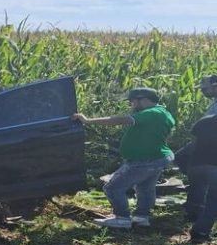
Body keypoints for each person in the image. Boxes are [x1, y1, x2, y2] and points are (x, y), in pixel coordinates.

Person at [72, 87, 175, 228]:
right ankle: (141, 217)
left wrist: (88, 121)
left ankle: (122, 218)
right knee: (145, 188)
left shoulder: (152, 113)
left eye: (132, 102)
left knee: (113, 187)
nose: (131, 106)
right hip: (156, 158)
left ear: (143, 100)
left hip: (144, 161)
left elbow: (121, 120)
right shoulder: (164, 113)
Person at [178, 75, 217, 221]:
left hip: (209, 143)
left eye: (205, 88)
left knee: (188, 163)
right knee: (185, 161)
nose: (202, 91)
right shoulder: (214, 101)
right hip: (204, 140)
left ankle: (196, 207)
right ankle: (198, 202)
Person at [187, 114, 217, 243]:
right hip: (214, 168)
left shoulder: (203, 120)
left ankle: (193, 217)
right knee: (213, 201)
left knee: (197, 193)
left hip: (196, 165)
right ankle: (200, 231)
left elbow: (192, 144)